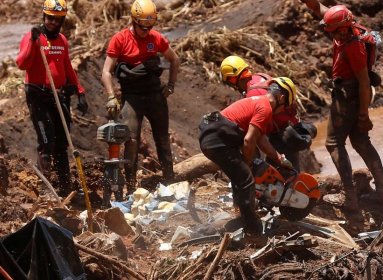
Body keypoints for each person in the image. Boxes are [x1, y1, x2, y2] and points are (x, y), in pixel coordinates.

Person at [300, 1, 383, 210]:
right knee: (361, 143)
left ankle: (349, 196)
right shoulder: (346, 25)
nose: (332, 35)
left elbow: (364, 82)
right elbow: (318, 8)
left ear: (343, 28)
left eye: (335, 32)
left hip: (349, 96)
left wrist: (363, 115)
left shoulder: (353, 46)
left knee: (333, 144)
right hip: (352, 94)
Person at [199, 77, 297, 234]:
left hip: (213, 135)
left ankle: (240, 215)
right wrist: (248, 161)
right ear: (282, 98)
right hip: (217, 139)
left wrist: (279, 159)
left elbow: (261, 139)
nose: (282, 111)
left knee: (240, 177)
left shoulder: (258, 102)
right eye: (284, 107)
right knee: (246, 180)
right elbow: (249, 140)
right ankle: (253, 231)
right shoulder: (265, 108)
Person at [101, 0, 180, 193]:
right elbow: (106, 71)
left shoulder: (156, 38)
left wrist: (170, 85)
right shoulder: (120, 39)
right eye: (143, 27)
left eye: (150, 27)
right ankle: (131, 186)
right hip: (132, 97)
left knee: (162, 138)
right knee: (132, 140)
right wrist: (111, 96)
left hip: (154, 94)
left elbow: (174, 59)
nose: (146, 31)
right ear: (134, 21)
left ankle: (169, 180)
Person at [16, 0, 88, 197]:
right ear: (43, 16)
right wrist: (32, 41)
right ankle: (45, 192)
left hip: (58, 95)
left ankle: (65, 189)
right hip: (38, 95)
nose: (51, 22)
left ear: (62, 20)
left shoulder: (62, 40)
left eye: (56, 19)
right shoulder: (34, 38)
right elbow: (21, 63)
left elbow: (67, 67)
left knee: (62, 144)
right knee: (46, 141)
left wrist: (80, 91)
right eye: (48, 18)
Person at [220, 55, 317, 170]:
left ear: (233, 79)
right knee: (289, 171)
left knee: (285, 175)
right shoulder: (261, 76)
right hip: (291, 126)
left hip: (281, 136)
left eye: (230, 81)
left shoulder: (252, 93)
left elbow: (258, 130)